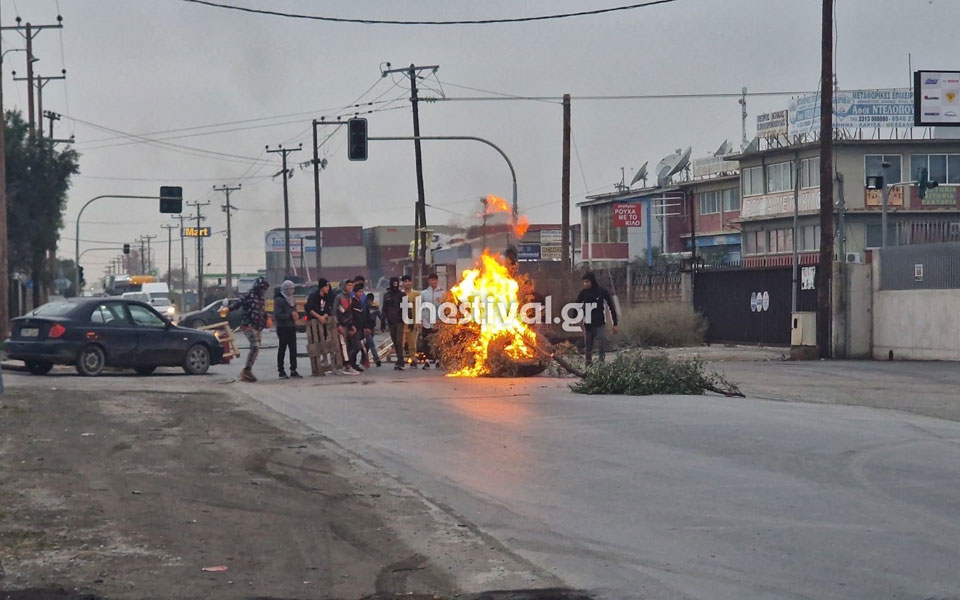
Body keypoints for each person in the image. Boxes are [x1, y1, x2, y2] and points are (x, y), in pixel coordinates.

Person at [226, 276, 269, 382]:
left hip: (257, 327)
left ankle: (247, 370)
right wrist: (229, 308)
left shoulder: (262, 299)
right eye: (261, 289)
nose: (263, 291)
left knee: (256, 349)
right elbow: (238, 303)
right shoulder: (249, 296)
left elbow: (262, 312)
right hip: (248, 325)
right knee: (255, 345)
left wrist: (266, 319)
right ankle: (247, 370)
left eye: (264, 289)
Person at [576, 272, 618, 365]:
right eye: (584, 282)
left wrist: (614, 324)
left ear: (592, 281)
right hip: (588, 325)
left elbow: (611, 307)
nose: (585, 284)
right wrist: (574, 319)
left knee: (601, 347)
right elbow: (577, 306)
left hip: (600, 324)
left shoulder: (602, 292)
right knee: (588, 349)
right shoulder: (583, 293)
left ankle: (601, 366)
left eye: (587, 281)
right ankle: (588, 367)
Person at [334, 279, 363, 374]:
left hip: (348, 325)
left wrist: (351, 325)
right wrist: (338, 325)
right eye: (348, 285)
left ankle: (346, 364)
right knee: (342, 344)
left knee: (349, 345)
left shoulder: (350, 298)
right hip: (340, 325)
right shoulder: (339, 297)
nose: (350, 287)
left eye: (351, 285)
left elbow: (350, 313)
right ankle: (346, 365)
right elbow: (334, 312)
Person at [273, 280, 301, 378]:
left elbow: (294, 310)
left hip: (291, 326)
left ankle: (293, 369)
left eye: (293, 288)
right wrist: (289, 315)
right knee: (282, 348)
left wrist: (296, 315)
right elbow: (277, 315)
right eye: (290, 289)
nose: (292, 291)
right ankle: (281, 370)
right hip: (282, 327)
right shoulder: (279, 300)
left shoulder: (292, 299)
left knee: (293, 348)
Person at [419, 273, 443, 370]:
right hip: (426, 320)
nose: (434, 281)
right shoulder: (424, 293)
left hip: (438, 321)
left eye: (435, 280)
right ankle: (427, 361)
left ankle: (437, 360)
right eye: (432, 280)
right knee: (426, 341)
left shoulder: (442, 293)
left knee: (437, 342)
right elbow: (420, 307)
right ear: (429, 281)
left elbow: (445, 307)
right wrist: (420, 320)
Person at [382, 277, 406, 370]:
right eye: (393, 283)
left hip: (400, 321)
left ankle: (401, 361)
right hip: (390, 321)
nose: (395, 285)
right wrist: (383, 321)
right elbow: (384, 309)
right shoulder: (387, 295)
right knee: (395, 342)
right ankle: (399, 360)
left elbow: (406, 308)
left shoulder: (402, 295)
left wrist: (409, 320)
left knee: (399, 341)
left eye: (396, 283)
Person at [401, 275, 420, 366]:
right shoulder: (400, 294)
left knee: (412, 342)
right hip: (402, 322)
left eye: (409, 281)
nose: (407, 283)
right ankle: (400, 359)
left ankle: (413, 359)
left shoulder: (416, 294)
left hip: (413, 322)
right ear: (402, 283)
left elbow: (419, 307)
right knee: (400, 342)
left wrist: (418, 321)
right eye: (405, 281)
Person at [364, 292, 383, 367]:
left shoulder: (374, 306)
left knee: (368, 345)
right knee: (371, 343)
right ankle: (376, 359)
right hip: (366, 328)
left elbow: (380, 315)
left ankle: (364, 359)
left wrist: (383, 323)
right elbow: (380, 315)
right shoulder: (366, 306)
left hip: (371, 328)